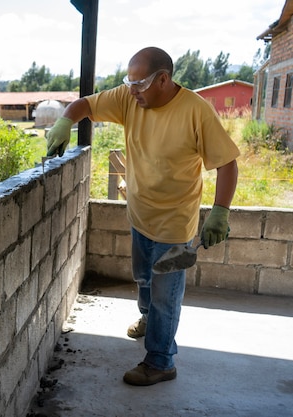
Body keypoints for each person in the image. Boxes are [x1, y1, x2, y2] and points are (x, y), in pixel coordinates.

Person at [46, 46, 239, 386]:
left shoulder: (196, 111)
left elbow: (226, 163)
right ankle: (149, 321)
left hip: (175, 223)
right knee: (144, 279)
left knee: (166, 294)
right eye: (129, 82)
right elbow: (86, 105)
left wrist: (220, 212)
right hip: (139, 214)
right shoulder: (129, 97)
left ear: (163, 79)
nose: (132, 90)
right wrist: (65, 121)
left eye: (140, 84)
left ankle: (161, 360)